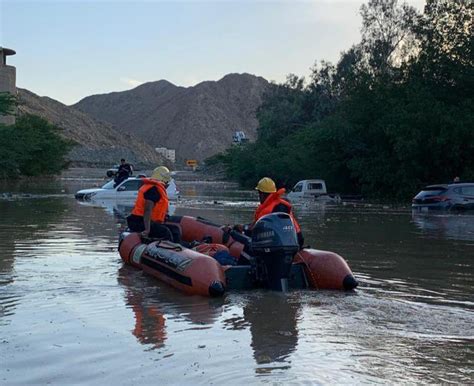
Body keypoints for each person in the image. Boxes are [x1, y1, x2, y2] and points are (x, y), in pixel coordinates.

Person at [230, 177, 304, 249]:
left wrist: (240, 231)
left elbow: (255, 231)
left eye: (259, 193)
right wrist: (244, 227)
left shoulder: (269, 209)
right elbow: (256, 225)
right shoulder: (280, 204)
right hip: (297, 240)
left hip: (278, 245)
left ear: (261, 194)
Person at [127, 166, 174, 240]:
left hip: (141, 220)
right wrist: (147, 230)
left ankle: (186, 247)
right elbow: (147, 210)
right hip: (139, 222)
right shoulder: (154, 190)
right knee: (165, 232)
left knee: (175, 229)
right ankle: (173, 248)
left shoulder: (152, 187)